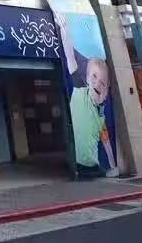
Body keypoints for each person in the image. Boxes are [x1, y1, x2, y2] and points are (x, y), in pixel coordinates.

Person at [58, 15, 118, 177]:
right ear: (87, 79)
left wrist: (113, 167)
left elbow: (107, 144)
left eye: (103, 83)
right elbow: (70, 57)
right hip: (77, 163)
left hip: (92, 166)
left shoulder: (101, 116)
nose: (98, 83)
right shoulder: (79, 88)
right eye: (94, 77)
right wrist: (64, 29)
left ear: (106, 93)